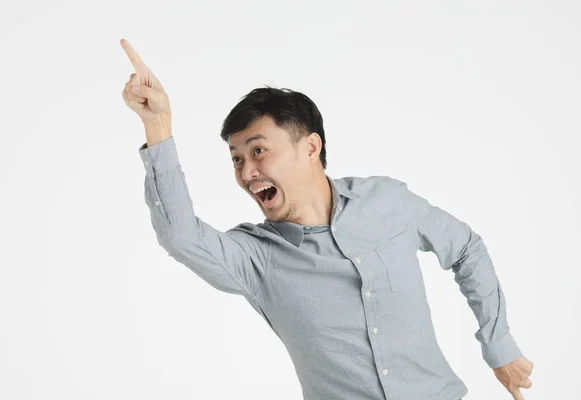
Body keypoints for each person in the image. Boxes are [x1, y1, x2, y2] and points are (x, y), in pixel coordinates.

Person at [120, 38, 534, 400]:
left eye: (259, 151)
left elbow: (465, 248)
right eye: (236, 159)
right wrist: (157, 124)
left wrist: (499, 346)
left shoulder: (386, 200)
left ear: (310, 147)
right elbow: (180, 237)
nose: (246, 173)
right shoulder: (256, 256)